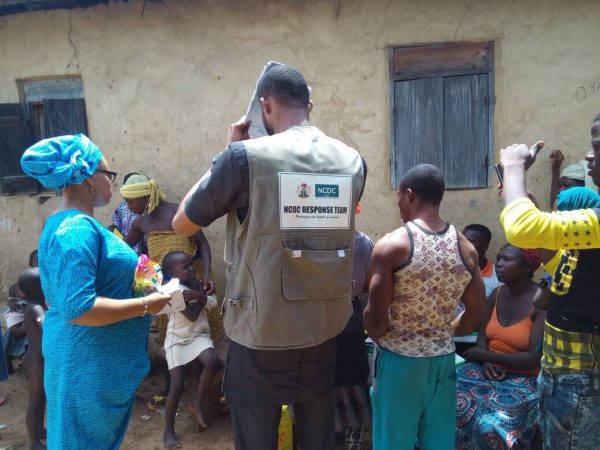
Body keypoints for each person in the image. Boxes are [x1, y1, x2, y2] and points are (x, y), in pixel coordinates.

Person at [172, 64, 366, 450]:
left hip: (262, 333)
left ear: (264, 106)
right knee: (317, 433)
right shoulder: (353, 160)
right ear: (309, 105)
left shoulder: (244, 158)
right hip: (324, 331)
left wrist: (227, 151)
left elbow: (182, 223)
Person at [20, 134, 171, 450]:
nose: (111, 182)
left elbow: (110, 270)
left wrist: (145, 277)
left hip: (92, 363)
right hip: (85, 366)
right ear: (89, 177)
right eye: (107, 173)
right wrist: (146, 304)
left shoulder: (80, 226)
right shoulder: (73, 229)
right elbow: (80, 307)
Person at [364, 163, 486, 450]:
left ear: (409, 194)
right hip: (444, 360)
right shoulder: (465, 247)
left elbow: (377, 320)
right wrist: (442, 332)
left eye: (398, 199)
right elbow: (476, 315)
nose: (399, 206)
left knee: (393, 442)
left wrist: (380, 330)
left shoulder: (392, 246)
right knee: (439, 442)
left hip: (399, 362)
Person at [498, 113, 600, 449]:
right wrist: (516, 192)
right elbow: (559, 263)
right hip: (564, 375)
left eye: (596, 146)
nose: (588, 156)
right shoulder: (589, 233)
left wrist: (513, 166)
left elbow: (523, 229)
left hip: (582, 380)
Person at [456, 245, 546, 449]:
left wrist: (486, 356)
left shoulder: (541, 302)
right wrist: (486, 359)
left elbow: (534, 357)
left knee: (493, 422)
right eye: (498, 258)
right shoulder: (497, 294)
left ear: (526, 268)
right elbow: (482, 333)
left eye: (506, 259)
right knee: (443, 392)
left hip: (525, 377)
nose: (499, 264)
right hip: (488, 368)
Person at [120, 174, 217, 345]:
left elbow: (202, 243)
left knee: (201, 326)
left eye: (130, 202)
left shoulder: (179, 213)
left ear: (145, 197)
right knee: (172, 331)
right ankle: (175, 365)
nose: (128, 207)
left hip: (191, 279)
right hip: (166, 284)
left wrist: (207, 274)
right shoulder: (140, 223)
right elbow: (122, 248)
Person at [161, 251, 218, 450]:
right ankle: (168, 430)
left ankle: (197, 401)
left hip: (198, 336)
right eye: (185, 267)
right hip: (177, 339)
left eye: (191, 264)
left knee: (212, 360)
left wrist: (200, 295)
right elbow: (193, 315)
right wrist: (201, 297)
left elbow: (214, 303)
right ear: (172, 272)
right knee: (176, 387)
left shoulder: (198, 283)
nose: (192, 268)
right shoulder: (172, 291)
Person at [334, 228, 373, 450]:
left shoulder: (361, 243)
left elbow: (368, 289)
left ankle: (354, 429)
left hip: (349, 318)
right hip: (314, 318)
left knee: (350, 379)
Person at [19, 267, 47, 450]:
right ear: (39, 287)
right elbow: (43, 322)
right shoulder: (35, 307)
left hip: (39, 360)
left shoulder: (37, 303)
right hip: (36, 362)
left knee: (42, 398)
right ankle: (33, 442)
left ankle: (40, 430)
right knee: (36, 400)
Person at [462, 224, 502, 297]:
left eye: (469, 241)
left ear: (485, 247)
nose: (462, 245)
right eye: (461, 240)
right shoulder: (450, 271)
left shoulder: (497, 278)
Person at [111, 172, 144, 254]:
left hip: (142, 253)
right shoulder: (122, 207)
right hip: (125, 246)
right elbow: (115, 226)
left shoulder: (147, 210)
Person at [3, 283, 28, 373]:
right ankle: (7, 369)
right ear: (15, 295)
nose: (25, 290)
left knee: (8, 349)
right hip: (16, 328)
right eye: (21, 290)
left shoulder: (22, 300)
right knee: (7, 349)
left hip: (18, 325)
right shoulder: (18, 302)